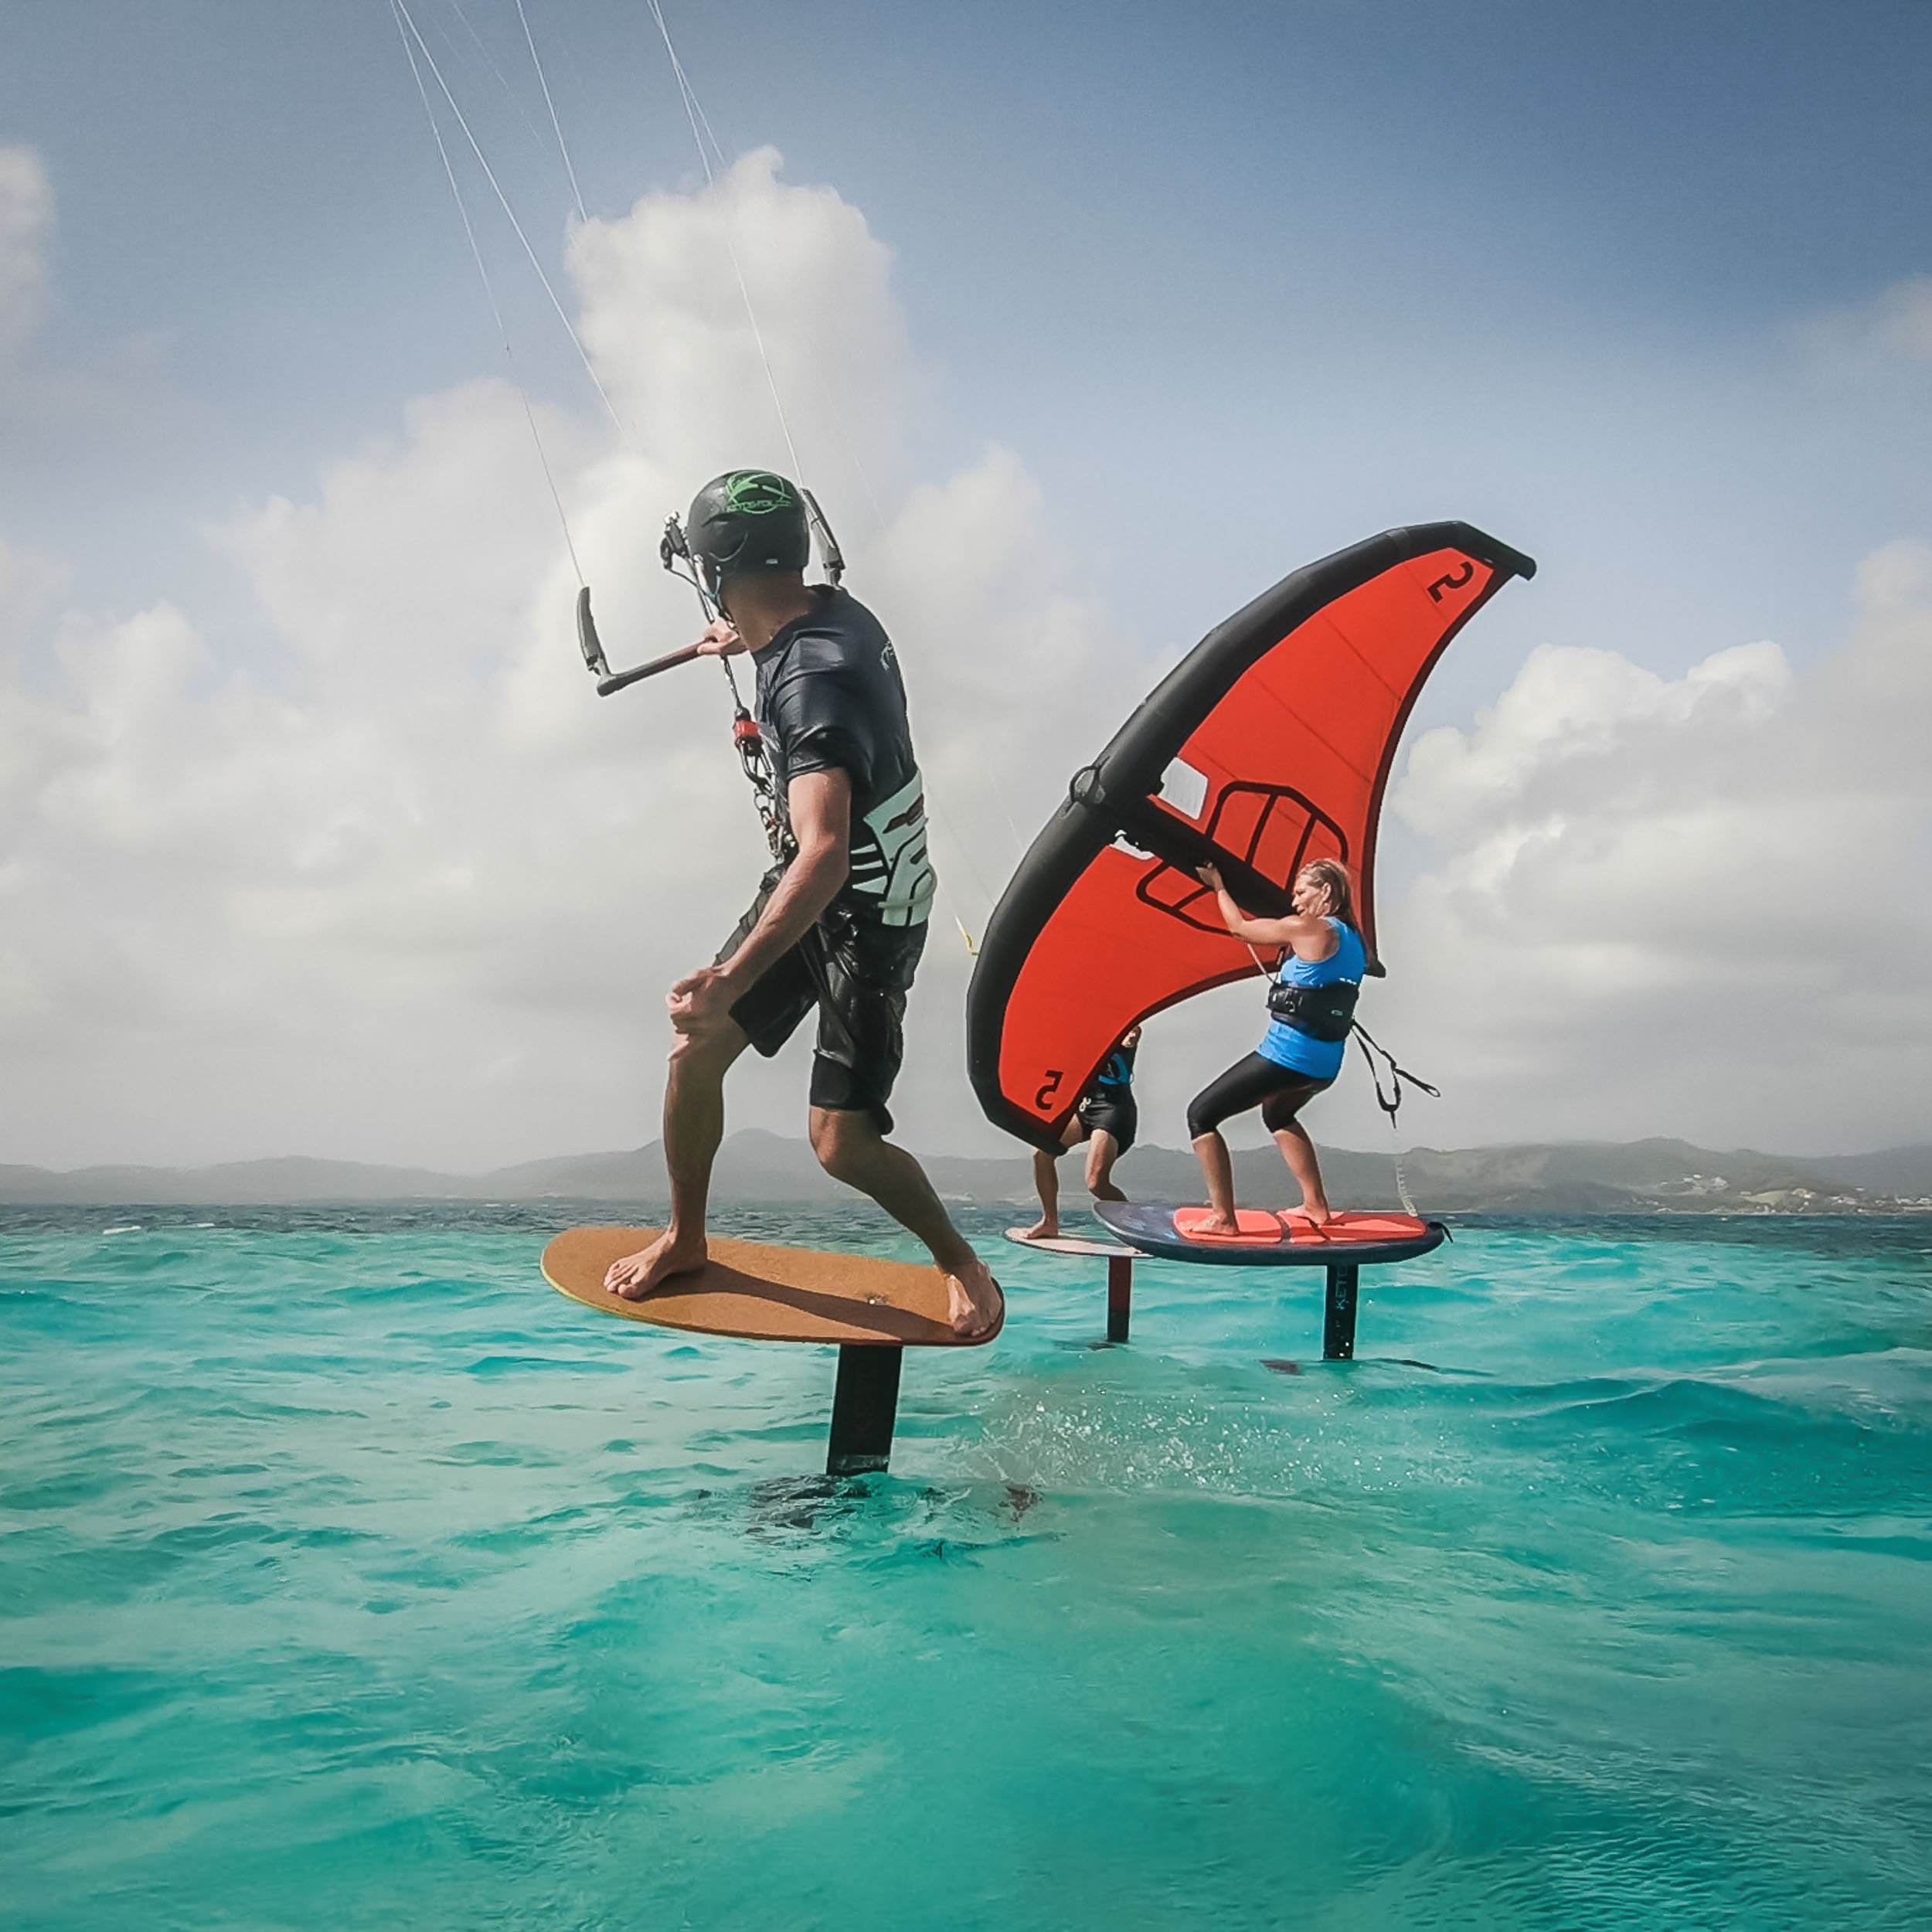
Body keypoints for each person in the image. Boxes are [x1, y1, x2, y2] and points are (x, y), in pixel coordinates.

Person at [604, 470, 1002, 1339]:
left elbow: (823, 854)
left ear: (715, 571)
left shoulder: (810, 684)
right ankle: (687, 1236)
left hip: (870, 906)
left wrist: (729, 974)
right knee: (695, 1050)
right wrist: (742, 636)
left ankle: (960, 1260)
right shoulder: (830, 613)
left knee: (839, 1143)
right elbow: (789, 630)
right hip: (814, 882)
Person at [1185, 858, 1364, 1232]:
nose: (1296, 903)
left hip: (1287, 1058)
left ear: (1325, 891)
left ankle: (1222, 1217)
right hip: (1325, 1065)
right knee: (1278, 1115)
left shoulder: (1309, 929)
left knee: (1201, 1115)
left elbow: (1239, 929)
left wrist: (1217, 884)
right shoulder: (1354, 940)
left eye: (1301, 892)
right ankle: (1316, 1207)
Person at [1022, 1026, 1141, 1240]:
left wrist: (1130, 1037)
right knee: (1041, 1153)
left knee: (1096, 1182)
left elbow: (1131, 1036)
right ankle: (1049, 1222)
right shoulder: (1080, 1035)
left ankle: (1135, 1228)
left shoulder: (1124, 1029)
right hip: (1086, 1108)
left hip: (1114, 1111)